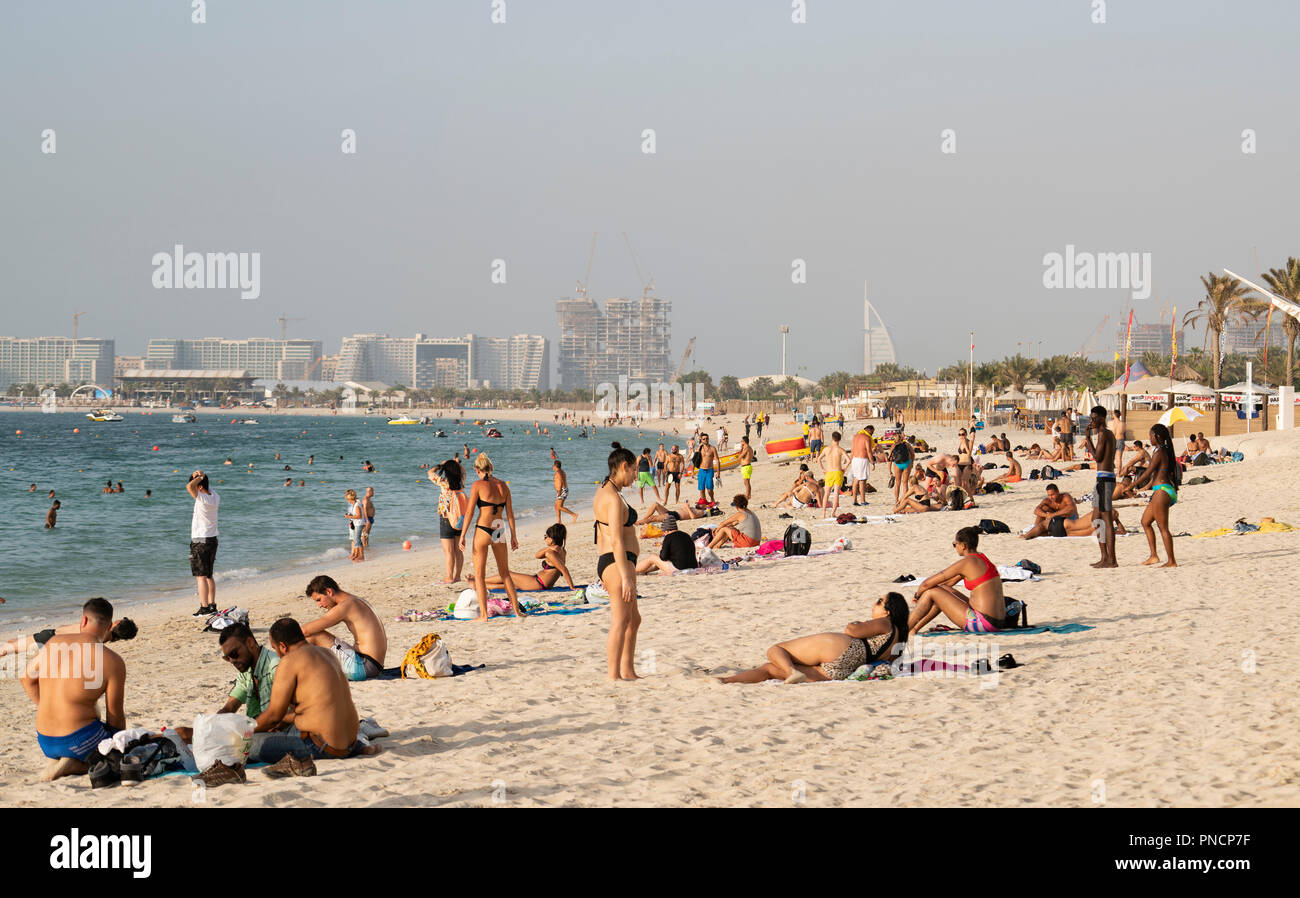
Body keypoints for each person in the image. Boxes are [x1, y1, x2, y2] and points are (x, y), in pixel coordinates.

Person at [250, 618, 381, 770]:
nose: (277, 654)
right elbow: (318, 705)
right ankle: (359, 747)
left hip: (322, 745)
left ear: (282, 646)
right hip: (350, 742)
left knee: (250, 745)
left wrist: (245, 730)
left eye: (275, 649)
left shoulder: (289, 661)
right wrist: (285, 720)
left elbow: (273, 716)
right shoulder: (327, 654)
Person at [20, 598, 126, 781]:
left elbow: (26, 678)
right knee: (109, 742)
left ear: (83, 620)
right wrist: (116, 749)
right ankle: (74, 765)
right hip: (79, 741)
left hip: (45, 739)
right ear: (109, 626)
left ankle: (58, 759)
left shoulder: (53, 643)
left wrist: (45, 706)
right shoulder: (113, 660)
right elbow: (115, 715)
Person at [721, 593, 909, 683]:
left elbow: (853, 631)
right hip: (843, 669)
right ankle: (727, 681)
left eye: (879, 601)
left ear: (888, 611)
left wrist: (855, 623)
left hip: (843, 649)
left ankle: (791, 671)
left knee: (777, 650)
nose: (874, 604)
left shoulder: (885, 622)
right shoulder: (898, 636)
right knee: (769, 668)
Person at [594, 443, 641, 680]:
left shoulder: (609, 491)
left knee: (633, 620)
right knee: (621, 620)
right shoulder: (611, 497)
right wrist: (625, 577)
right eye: (634, 470)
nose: (635, 476)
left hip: (618, 562)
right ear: (624, 467)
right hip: (616, 562)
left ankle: (628, 671)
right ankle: (613, 676)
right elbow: (616, 541)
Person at [459, 453, 526, 620]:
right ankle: (517, 611)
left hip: (483, 528)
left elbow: (469, 512)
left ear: (476, 469)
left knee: (479, 575)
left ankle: (483, 615)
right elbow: (510, 513)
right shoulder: (504, 486)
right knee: (505, 573)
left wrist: (462, 535)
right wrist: (513, 536)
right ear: (491, 467)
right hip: (499, 529)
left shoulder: (477, 485)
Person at [908, 527, 1009, 634]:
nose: (955, 547)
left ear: (963, 545)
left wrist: (917, 596)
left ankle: (903, 630)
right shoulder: (983, 560)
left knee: (932, 592)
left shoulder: (966, 563)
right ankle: (913, 630)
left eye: (954, 544)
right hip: (998, 622)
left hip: (982, 623)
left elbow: (926, 584)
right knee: (940, 592)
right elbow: (947, 585)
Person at [300, 575, 388, 680]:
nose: (319, 605)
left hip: (364, 666)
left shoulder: (346, 605)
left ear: (329, 592)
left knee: (313, 635)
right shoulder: (356, 600)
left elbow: (305, 631)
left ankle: (295, 674)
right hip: (372, 664)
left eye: (319, 600)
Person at [470, 523, 577, 591]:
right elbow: (538, 555)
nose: (544, 539)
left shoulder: (551, 553)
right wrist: (548, 549)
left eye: (546, 537)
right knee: (512, 585)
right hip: (540, 582)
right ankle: (479, 585)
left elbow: (564, 570)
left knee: (508, 574)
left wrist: (571, 587)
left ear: (552, 538)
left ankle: (479, 581)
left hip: (538, 583)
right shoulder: (563, 551)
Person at [1133, 423, 1180, 567]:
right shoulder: (1161, 450)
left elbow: (1148, 472)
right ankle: (1154, 556)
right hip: (1161, 490)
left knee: (1163, 527)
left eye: (1150, 435)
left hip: (1162, 491)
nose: (1149, 438)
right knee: (1145, 522)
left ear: (1157, 436)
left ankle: (1171, 561)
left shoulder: (1160, 452)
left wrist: (1131, 485)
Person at [215, 622, 278, 717]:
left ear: (250, 643)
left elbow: (286, 715)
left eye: (233, 654)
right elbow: (229, 708)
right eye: (227, 658)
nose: (232, 661)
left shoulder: (275, 666)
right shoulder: (246, 670)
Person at [1, 615, 136, 659]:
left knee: (9, 648)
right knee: (12, 644)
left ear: (118, 624)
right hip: (52, 637)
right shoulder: (105, 637)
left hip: (51, 638)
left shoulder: (102, 631)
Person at [1082, 405, 1118, 568]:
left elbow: (1097, 457)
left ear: (1102, 418)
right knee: (1096, 519)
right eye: (1091, 418)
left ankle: (1111, 559)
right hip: (1103, 478)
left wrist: (1087, 439)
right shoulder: (1107, 434)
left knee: (1106, 520)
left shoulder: (1103, 434)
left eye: (1094, 418)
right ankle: (1104, 557)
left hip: (1105, 479)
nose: (1092, 421)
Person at [186, 469, 220, 616]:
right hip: (212, 539)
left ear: (199, 486)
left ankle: (204, 607)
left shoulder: (201, 498)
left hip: (200, 540)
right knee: (209, 575)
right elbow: (203, 486)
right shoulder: (215, 496)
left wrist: (199, 477)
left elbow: (190, 487)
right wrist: (202, 476)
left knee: (200, 576)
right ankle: (212, 605)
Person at [430, 459, 467, 583]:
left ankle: (449, 577)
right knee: (458, 550)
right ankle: (457, 576)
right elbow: (463, 471)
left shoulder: (444, 482)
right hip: (459, 519)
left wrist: (440, 465)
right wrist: (457, 464)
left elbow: (430, 472)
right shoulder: (461, 482)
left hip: (446, 518)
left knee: (448, 551)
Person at [1020, 483, 1092, 538]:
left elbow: (1071, 508)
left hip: (1070, 520)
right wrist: (1046, 515)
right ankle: (1036, 527)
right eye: (1049, 495)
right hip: (1057, 521)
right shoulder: (1047, 501)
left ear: (1058, 492)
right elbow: (1036, 510)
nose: (1051, 497)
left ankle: (1036, 530)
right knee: (1044, 508)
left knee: (1064, 512)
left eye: (1053, 494)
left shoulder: (1065, 497)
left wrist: (1053, 515)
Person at [817, 431, 849, 518]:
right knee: (836, 494)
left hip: (829, 472)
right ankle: (832, 513)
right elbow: (849, 460)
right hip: (838, 472)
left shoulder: (826, 449)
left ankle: (823, 513)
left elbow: (819, 459)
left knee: (826, 494)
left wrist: (823, 469)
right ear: (839, 439)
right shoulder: (840, 449)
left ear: (832, 438)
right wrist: (844, 469)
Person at [850, 426, 874, 506]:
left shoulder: (855, 437)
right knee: (862, 480)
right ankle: (863, 500)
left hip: (855, 459)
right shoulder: (867, 438)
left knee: (856, 479)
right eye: (872, 432)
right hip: (862, 459)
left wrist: (850, 460)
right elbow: (869, 451)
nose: (872, 434)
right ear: (868, 430)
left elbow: (852, 449)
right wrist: (872, 462)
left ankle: (855, 500)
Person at [889, 437, 914, 510]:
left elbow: (890, 459)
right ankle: (905, 500)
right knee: (905, 483)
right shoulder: (907, 444)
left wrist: (889, 470)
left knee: (897, 483)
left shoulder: (893, 446)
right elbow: (912, 454)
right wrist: (912, 462)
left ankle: (896, 500)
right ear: (902, 439)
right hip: (907, 463)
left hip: (897, 464)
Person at [696, 433, 720, 506]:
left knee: (709, 489)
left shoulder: (712, 448)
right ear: (701, 440)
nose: (705, 440)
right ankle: (704, 502)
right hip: (701, 470)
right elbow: (695, 458)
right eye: (704, 439)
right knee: (701, 489)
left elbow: (717, 460)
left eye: (707, 438)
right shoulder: (699, 448)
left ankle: (712, 499)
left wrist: (718, 472)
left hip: (709, 470)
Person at [344, 489, 365, 561]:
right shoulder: (355, 504)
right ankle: (358, 554)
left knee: (357, 540)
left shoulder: (356, 505)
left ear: (350, 499)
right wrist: (351, 515)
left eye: (348, 499)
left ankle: (361, 555)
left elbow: (359, 516)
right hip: (357, 523)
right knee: (356, 540)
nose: (347, 501)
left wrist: (349, 517)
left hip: (358, 524)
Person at [736, 436, 755, 500]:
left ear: (744, 441)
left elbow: (740, 456)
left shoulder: (746, 448)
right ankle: (748, 495)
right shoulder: (749, 447)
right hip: (747, 466)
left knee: (746, 483)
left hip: (746, 467)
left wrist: (741, 449)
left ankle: (747, 496)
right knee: (746, 482)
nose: (741, 442)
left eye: (741, 441)